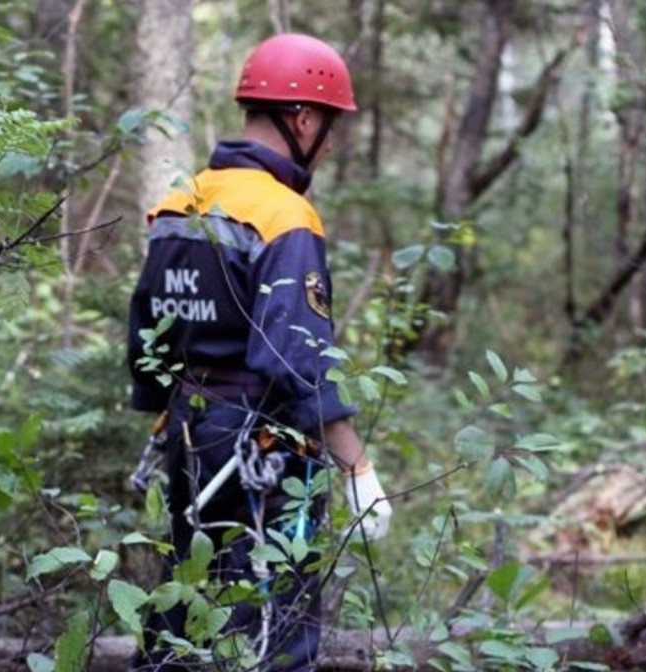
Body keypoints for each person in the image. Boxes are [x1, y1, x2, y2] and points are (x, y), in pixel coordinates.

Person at [126, 33, 393, 671]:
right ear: (302, 118)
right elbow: (297, 355)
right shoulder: (284, 216)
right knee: (278, 624)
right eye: (328, 125)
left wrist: (171, 410)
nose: (328, 143)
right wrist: (357, 469)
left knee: (185, 603)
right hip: (261, 440)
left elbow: (146, 333)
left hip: (189, 428)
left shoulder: (180, 201)